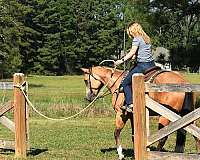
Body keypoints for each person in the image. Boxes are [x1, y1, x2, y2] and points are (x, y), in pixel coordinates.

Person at [114, 22, 155, 112]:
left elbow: (132, 52)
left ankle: (130, 103)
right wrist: (135, 56)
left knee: (125, 83)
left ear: (133, 30)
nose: (130, 34)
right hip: (151, 64)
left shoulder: (137, 39)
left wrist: (121, 60)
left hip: (142, 65)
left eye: (130, 31)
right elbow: (143, 52)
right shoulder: (146, 38)